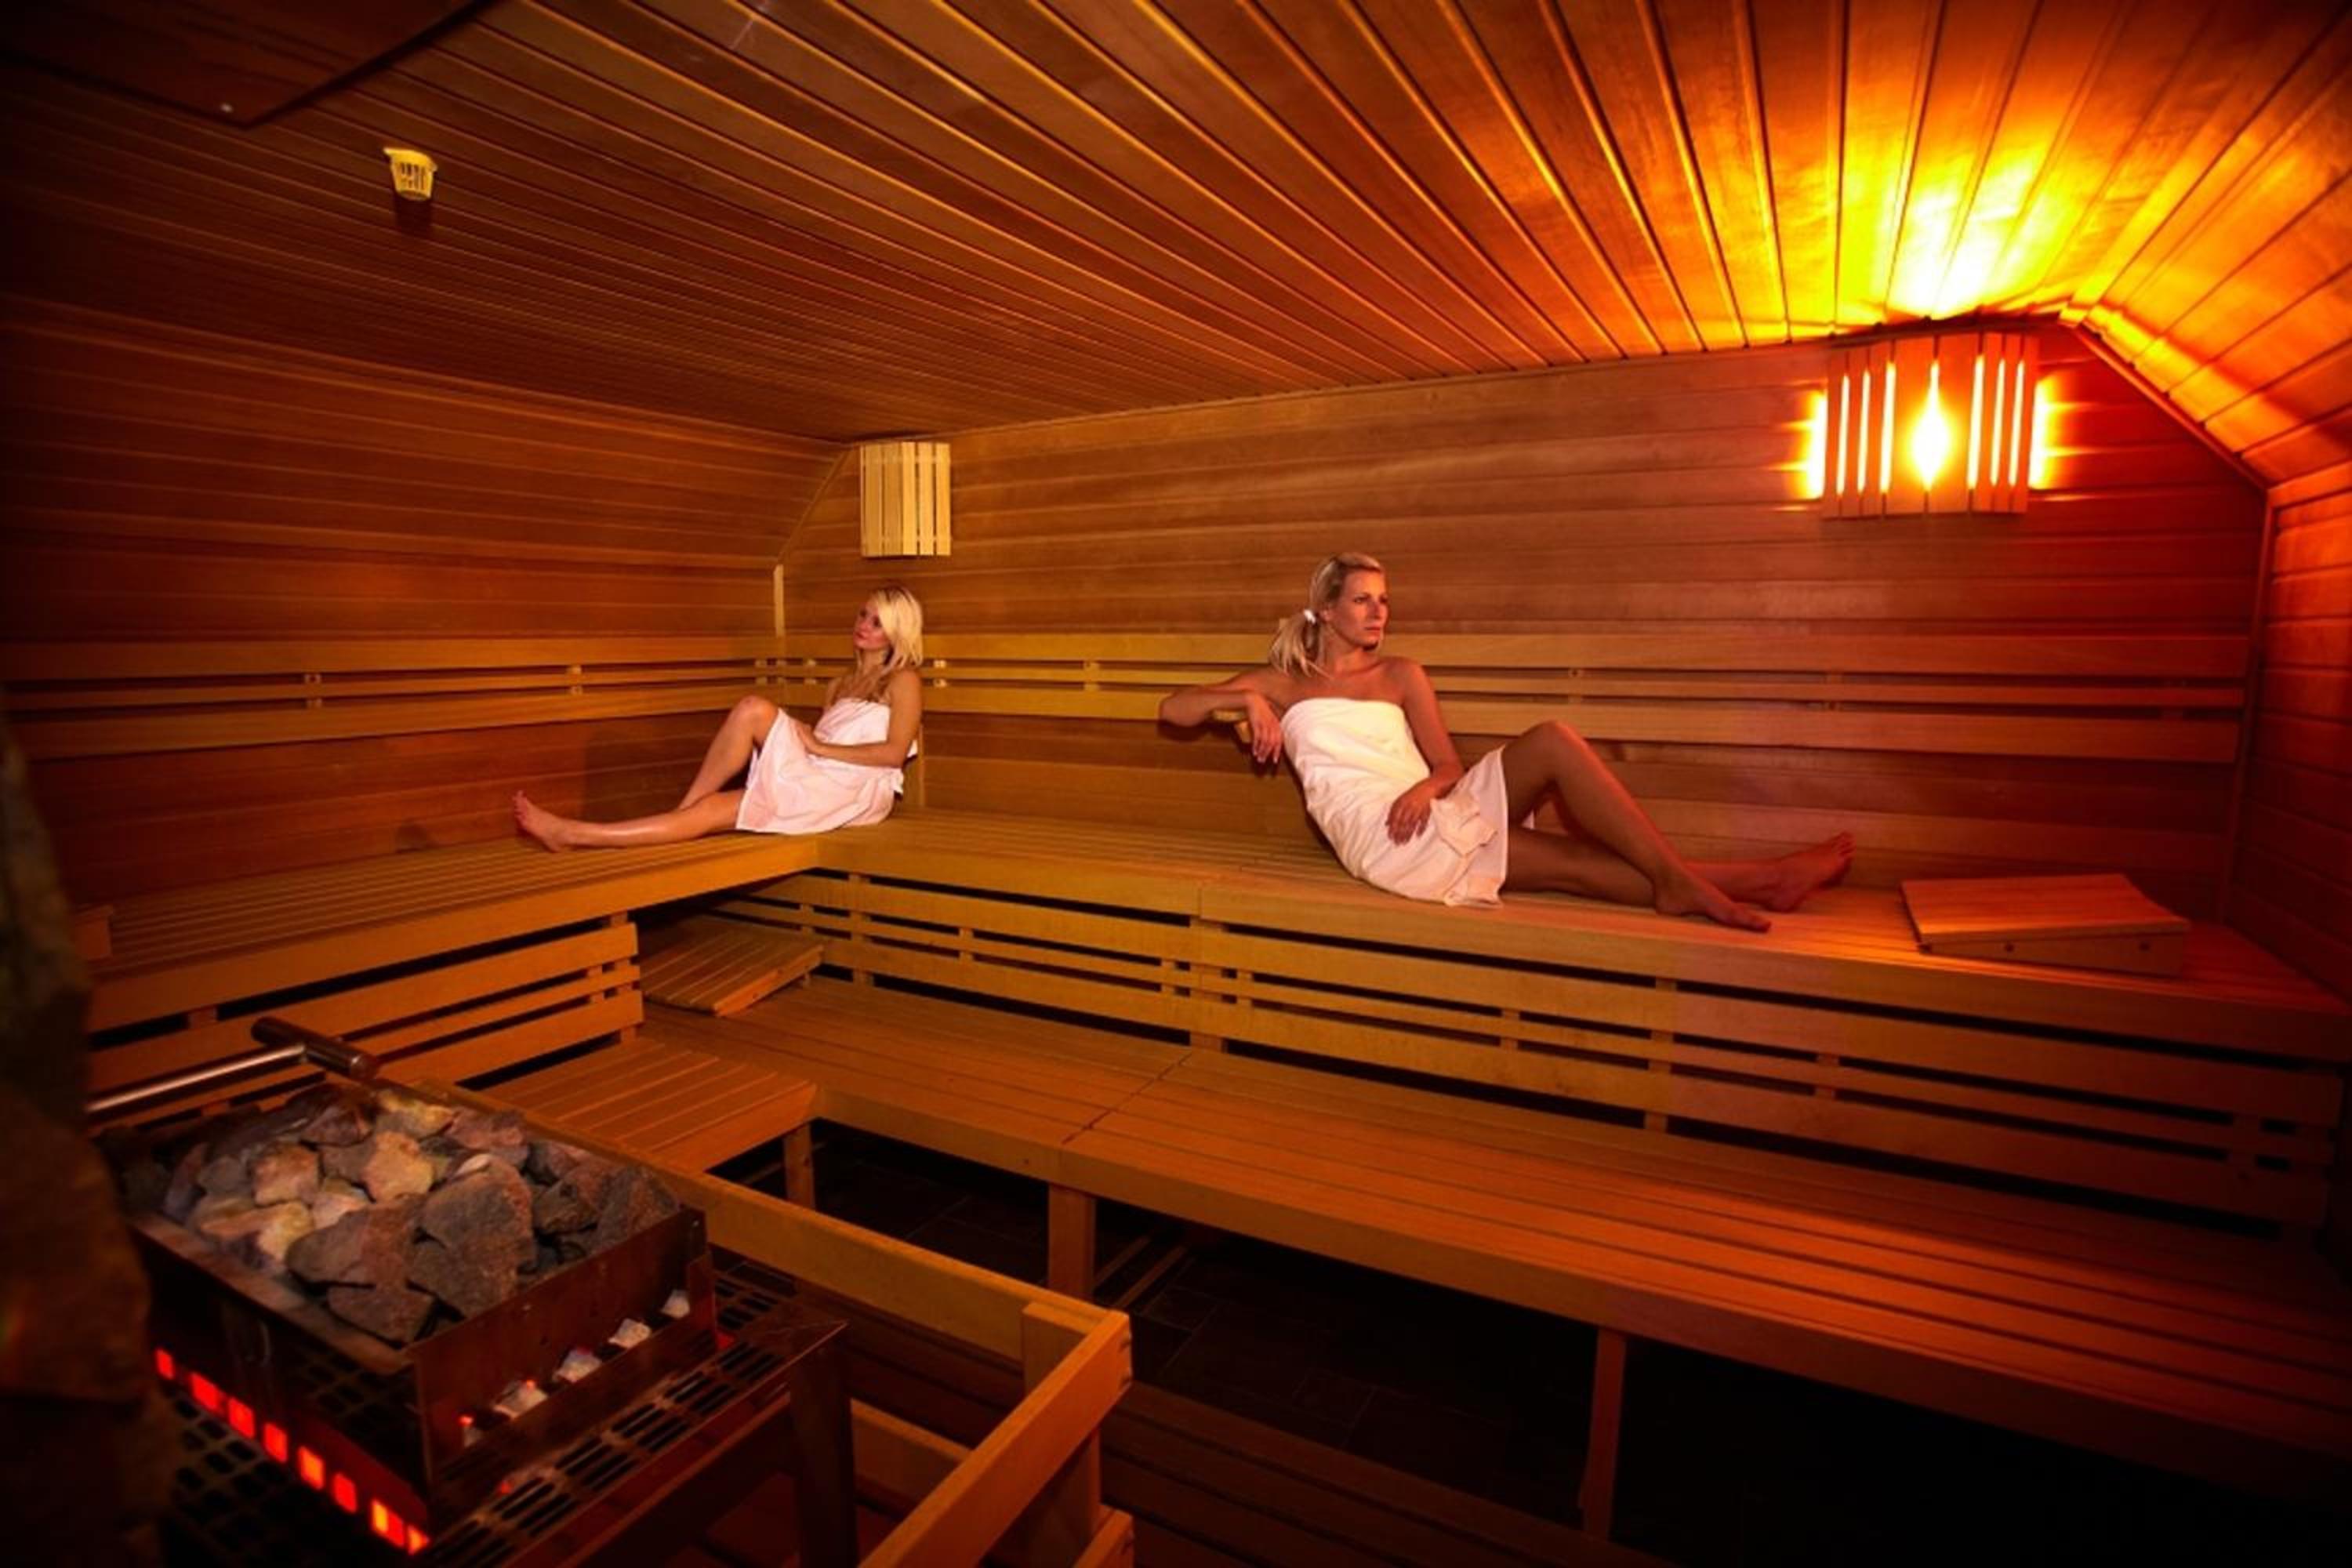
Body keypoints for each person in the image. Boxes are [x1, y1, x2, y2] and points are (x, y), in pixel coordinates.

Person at [1158, 553, 1850, 931]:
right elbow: (1174, 709)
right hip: (1380, 839)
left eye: (1385, 599)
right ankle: (1748, 880)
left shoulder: (1400, 675)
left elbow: (1448, 764)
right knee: (1573, 851)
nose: (1379, 612)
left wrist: (1427, 787)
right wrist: (1246, 698)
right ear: (1327, 610)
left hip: (1428, 809)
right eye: (1364, 599)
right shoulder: (1284, 683)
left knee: (1572, 835)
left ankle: (1743, 881)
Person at [514, 586, 923, 850]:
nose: (863, 626)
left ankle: (574, 832)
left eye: (877, 622)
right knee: (713, 801)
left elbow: (893, 754)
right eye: (863, 615)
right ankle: (658, 818)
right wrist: (812, 743)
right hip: (821, 775)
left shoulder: (903, 680)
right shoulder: (838, 685)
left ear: (896, 633)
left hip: (857, 791)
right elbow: (823, 748)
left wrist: (817, 744)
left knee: (754, 709)